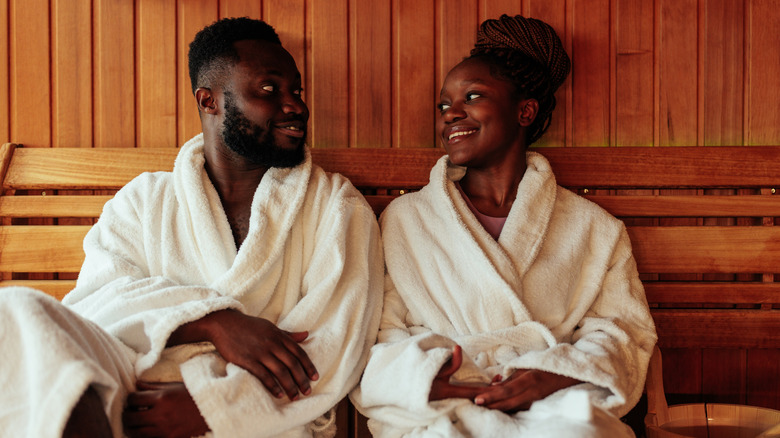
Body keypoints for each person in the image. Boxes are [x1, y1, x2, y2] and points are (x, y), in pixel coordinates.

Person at [0, 17, 383, 438]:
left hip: (258, 415)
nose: (296, 106)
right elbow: (94, 306)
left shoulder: (334, 206)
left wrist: (212, 409)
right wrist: (214, 322)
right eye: (270, 90)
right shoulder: (144, 201)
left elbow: (335, 346)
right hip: (133, 395)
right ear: (209, 100)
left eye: (297, 91)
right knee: (16, 311)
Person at [351, 14, 657, 437]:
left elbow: (624, 331)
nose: (451, 114)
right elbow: (380, 328)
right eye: (444, 105)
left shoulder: (594, 229)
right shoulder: (406, 220)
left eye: (472, 96)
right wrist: (428, 378)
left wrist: (553, 373)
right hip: (448, 401)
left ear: (525, 110)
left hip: (553, 403)